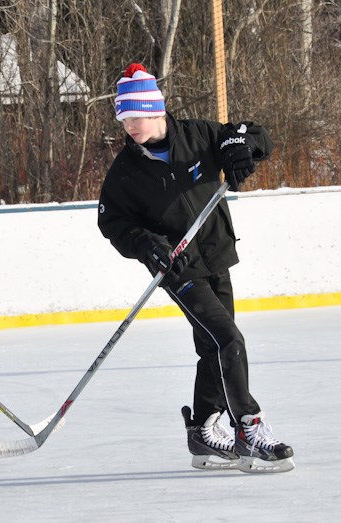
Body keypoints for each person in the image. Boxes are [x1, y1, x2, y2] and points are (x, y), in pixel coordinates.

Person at [97, 63, 294, 474]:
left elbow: (256, 135)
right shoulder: (125, 172)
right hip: (178, 268)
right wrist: (148, 246)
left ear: (157, 111)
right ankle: (248, 426)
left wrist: (242, 149)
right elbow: (112, 222)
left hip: (217, 255)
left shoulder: (199, 135)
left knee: (213, 344)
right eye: (124, 118)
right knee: (227, 337)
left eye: (136, 116)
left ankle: (204, 429)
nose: (130, 126)